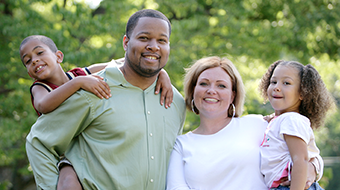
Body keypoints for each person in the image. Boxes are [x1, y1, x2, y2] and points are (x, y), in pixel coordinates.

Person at [25, 9, 186, 190]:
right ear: (126, 43)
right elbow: (39, 141)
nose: (154, 46)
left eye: (162, 41)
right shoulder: (94, 90)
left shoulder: (176, 103)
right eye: (144, 38)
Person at [166, 56, 323, 190]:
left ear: (233, 95)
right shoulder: (181, 145)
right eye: (204, 83)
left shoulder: (258, 124)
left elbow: (305, 152)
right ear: (193, 90)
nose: (211, 90)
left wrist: (314, 167)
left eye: (221, 85)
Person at [19, 35, 174, 117]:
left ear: (59, 56)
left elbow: (124, 63)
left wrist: (160, 71)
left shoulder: (79, 74)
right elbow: (43, 105)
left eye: (40, 53)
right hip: (62, 151)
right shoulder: (40, 87)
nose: (35, 60)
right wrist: (78, 83)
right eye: (28, 60)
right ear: (29, 73)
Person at [259, 60, 335, 190]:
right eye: (273, 82)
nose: (277, 87)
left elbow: (301, 160)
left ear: (302, 93)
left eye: (286, 83)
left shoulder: (292, 121)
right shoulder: (281, 120)